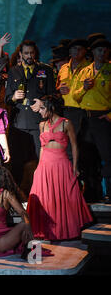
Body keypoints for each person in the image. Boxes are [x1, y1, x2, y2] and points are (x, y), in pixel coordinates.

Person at [27, 95, 93, 240]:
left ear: (52, 107)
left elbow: (75, 146)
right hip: (45, 164)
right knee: (45, 197)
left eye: (43, 108)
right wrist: (39, 167)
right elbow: (42, 147)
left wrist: (75, 167)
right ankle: (46, 231)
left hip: (61, 163)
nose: (40, 111)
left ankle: (64, 230)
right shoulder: (42, 125)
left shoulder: (66, 123)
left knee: (65, 195)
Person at [5, 40, 56, 193]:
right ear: (20, 54)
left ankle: (43, 191)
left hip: (38, 122)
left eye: (31, 53)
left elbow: (53, 95)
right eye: (26, 53)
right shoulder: (14, 71)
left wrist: (42, 102)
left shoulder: (45, 70)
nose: (29, 56)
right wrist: (14, 97)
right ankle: (17, 194)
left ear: (36, 53)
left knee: (41, 159)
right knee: (17, 160)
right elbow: (8, 98)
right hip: (19, 122)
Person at [73, 38, 111, 203]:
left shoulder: (110, 69)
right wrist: (84, 88)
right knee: (88, 158)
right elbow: (75, 96)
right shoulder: (84, 71)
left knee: (108, 157)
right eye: (98, 50)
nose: (102, 53)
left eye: (105, 50)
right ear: (93, 53)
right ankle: (91, 194)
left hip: (103, 118)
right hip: (86, 118)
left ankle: (109, 193)